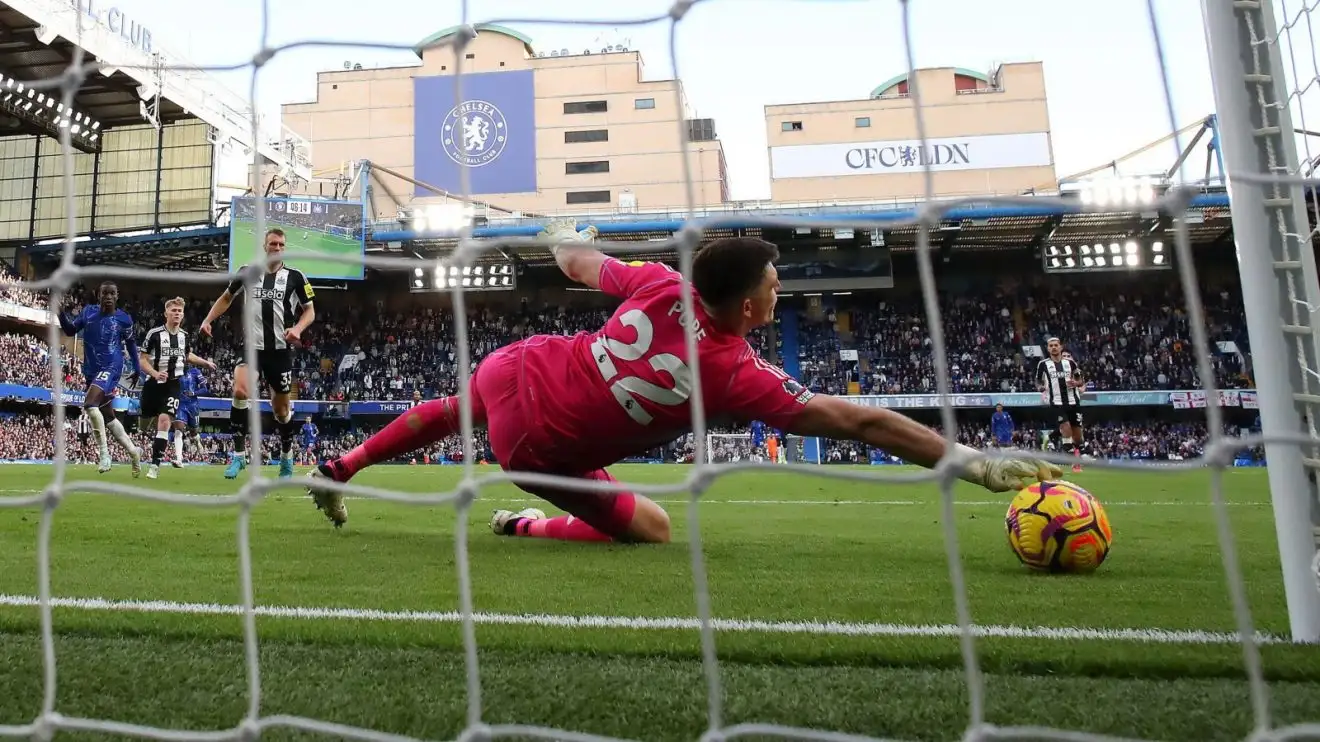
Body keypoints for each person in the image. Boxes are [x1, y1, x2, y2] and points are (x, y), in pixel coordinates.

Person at [306, 220, 1062, 538]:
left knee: (453, 409)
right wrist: (969, 461)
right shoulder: (736, 374)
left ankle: (343, 466)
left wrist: (563, 234)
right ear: (747, 305)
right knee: (655, 529)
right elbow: (859, 421)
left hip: (518, 367)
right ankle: (523, 524)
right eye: (774, 284)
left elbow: (577, 263)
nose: (780, 291)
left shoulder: (660, 283)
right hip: (537, 451)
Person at [199, 227, 316, 479]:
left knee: (281, 412)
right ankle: (238, 456)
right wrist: (208, 319)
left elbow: (310, 311)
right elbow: (226, 297)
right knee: (240, 391)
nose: (277, 248)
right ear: (265, 246)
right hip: (252, 348)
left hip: (280, 351)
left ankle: (286, 457)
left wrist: (297, 329)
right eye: (273, 243)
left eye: (281, 244)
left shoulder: (296, 277)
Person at [58, 281, 143, 475]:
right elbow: (70, 330)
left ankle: (104, 455)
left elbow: (131, 343)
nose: (108, 297)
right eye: (105, 293)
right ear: (99, 295)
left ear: (117, 296)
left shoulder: (123, 319)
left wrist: (137, 367)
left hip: (112, 366)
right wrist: (60, 313)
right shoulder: (88, 312)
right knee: (108, 416)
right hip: (91, 369)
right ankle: (134, 452)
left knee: (89, 404)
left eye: (112, 293)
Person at [137, 297, 217, 479]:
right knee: (143, 423)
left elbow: (187, 355)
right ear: (166, 313)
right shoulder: (154, 334)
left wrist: (205, 362)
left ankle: (154, 466)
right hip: (153, 384)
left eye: (180, 311)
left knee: (165, 422)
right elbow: (142, 359)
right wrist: (155, 373)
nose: (177, 313)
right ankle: (140, 441)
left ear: (183, 315)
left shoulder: (184, 336)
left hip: (173, 385)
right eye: (173, 310)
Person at [1036, 339, 1086, 474]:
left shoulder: (1070, 363)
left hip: (1074, 402)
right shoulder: (1043, 364)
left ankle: (1075, 452)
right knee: (1065, 427)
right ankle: (1073, 460)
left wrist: (1076, 383)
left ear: (1061, 347)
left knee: (1078, 437)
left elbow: (1080, 380)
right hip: (1057, 402)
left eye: (1056, 345)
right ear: (1048, 348)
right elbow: (1038, 380)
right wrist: (1040, 387)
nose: (1053, 348)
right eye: (1051, 346)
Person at [173, 366, 206, 467]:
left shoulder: (195, 372)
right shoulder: (174, 371)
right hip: (180, 404)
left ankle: (197, 440)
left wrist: (193, 393)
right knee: (178, 431)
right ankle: (179, 459)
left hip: (193, 405)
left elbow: (205, 389)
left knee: (193, 432)